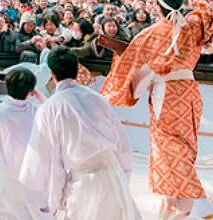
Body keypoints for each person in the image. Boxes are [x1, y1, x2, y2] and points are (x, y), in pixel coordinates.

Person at [102, 0, 213, 219]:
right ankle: (173, 198)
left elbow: (128, 68)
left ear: (158, 6)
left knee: (169, 148)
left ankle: (199, 204)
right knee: (185, 146)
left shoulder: (150, 34)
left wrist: (119, 54)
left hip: (167, 94)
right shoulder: (194, 25)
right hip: (190, 92)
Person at [20, 47, 141, 220]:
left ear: (52, 74)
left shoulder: (49, 108)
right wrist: (123, 176)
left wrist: (46, 200)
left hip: (83, 181)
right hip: (113, 174)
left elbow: (41, 159)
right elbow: (122, 143)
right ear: (77, 70)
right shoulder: (98, 99)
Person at [0, 66, 48, 220]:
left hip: (7, 175)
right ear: (30, 92)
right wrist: (35, 93)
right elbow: (50, 109)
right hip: (31, 177)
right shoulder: (36, 111)